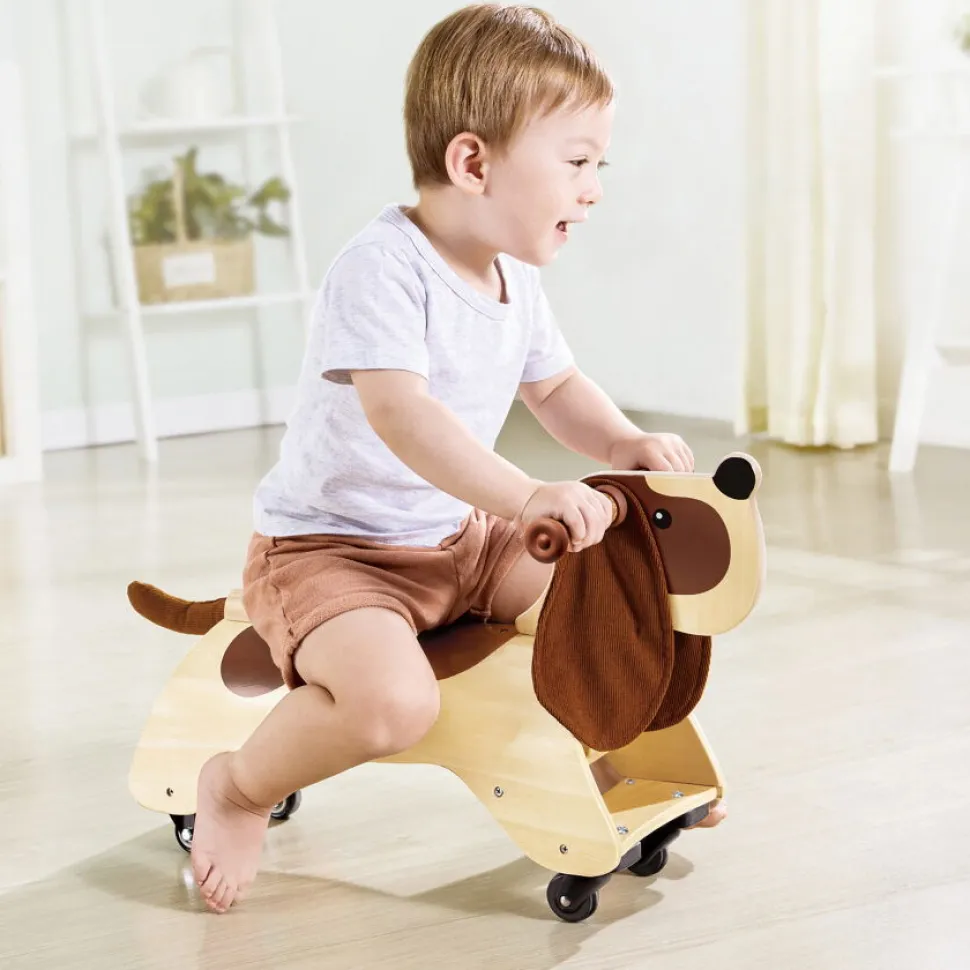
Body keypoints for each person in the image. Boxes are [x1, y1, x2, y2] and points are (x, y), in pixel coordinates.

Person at [189, 2, 720, 915]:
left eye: (600, 165)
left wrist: (622, 442)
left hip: (459, 538)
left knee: (607, 591)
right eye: (578, 162)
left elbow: (555, 385)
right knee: (392, 707)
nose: (594, 189)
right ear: (474, 164)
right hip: (333, 552)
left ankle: (630, 755)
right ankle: (237, 788)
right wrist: (527, 495)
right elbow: (403, 416)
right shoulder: (382, 268)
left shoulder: (517, 278)